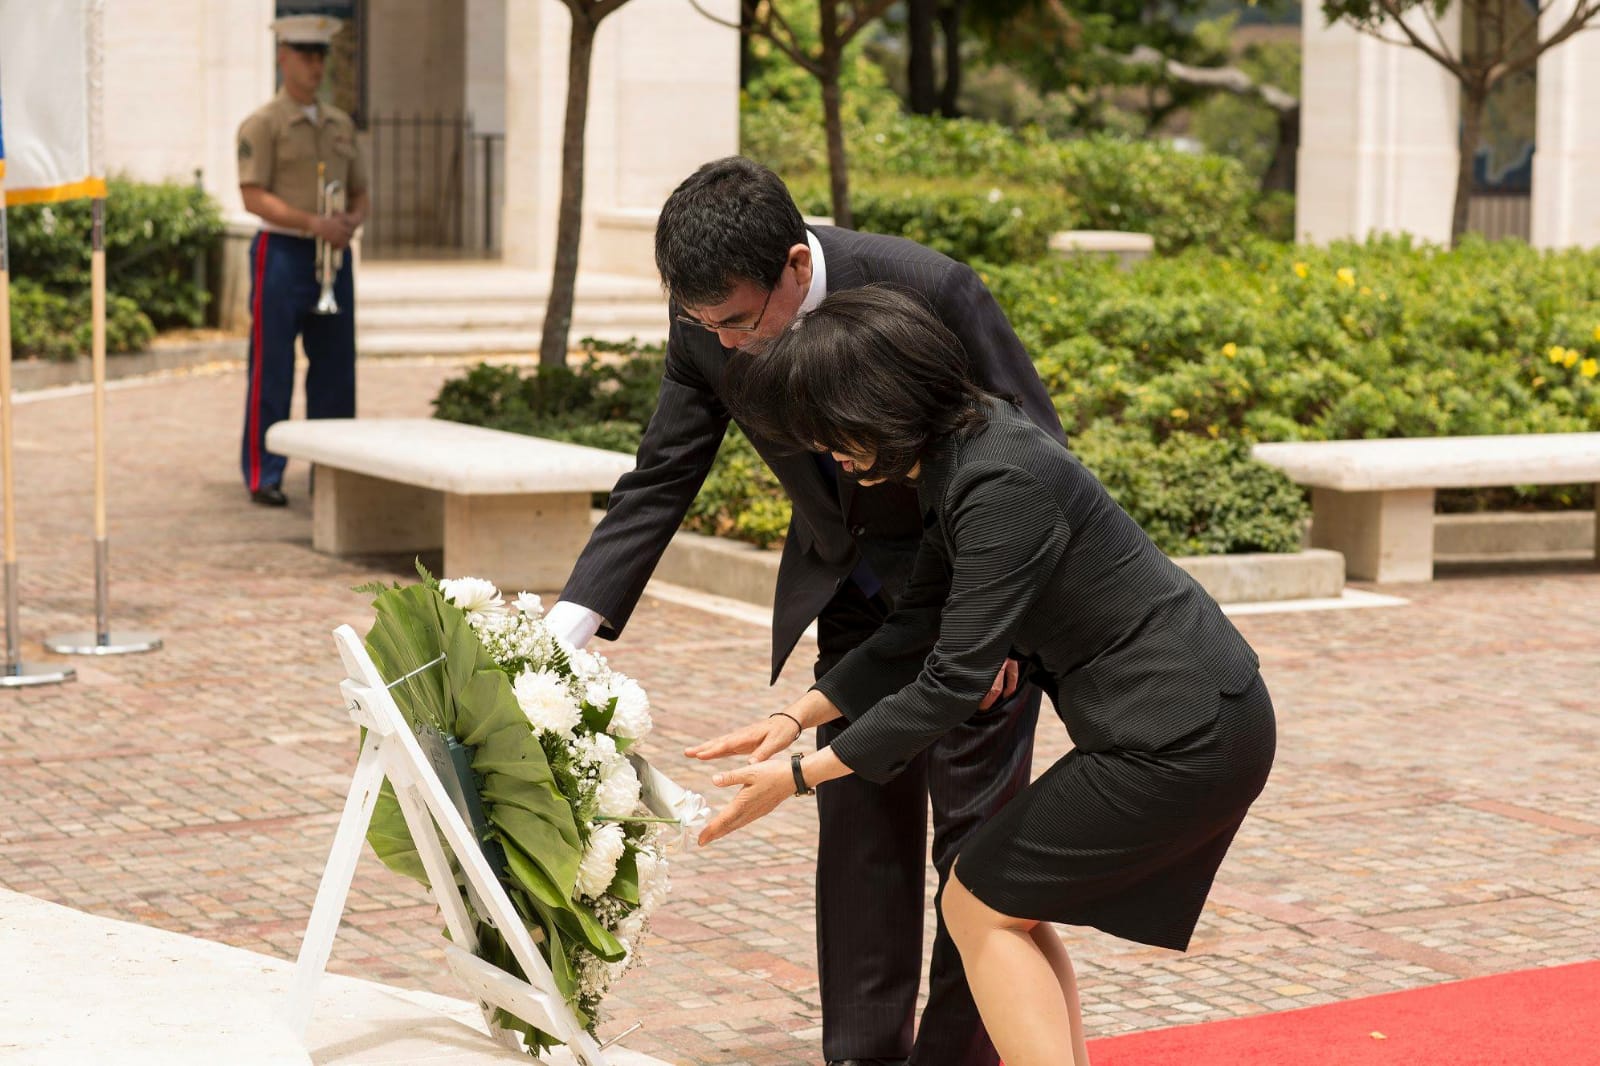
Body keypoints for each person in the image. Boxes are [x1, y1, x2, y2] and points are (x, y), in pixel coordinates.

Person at [542, 157, 1065, 1066]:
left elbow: (1036, 456)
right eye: (703, 325)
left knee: (974, 864)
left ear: (794, 264)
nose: (726, 344)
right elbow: (663, 476)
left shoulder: (929, 289)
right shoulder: (708, 325)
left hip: (972, 610)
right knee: (860, 836)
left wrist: (1004, 624)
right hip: (855, 597)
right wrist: (558, 639)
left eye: (739, 321)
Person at [689, 286, 1278, 1066]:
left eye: (832, 431)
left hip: (1184, 732)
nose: (829, 453)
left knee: (980, 904)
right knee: (999, 905)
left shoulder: (1000, 482)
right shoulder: (966, 454)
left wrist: (804, 777)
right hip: (1174, 720)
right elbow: (914, 627)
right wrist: (795, 718)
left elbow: (952, 682)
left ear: (881, 406)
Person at [235, 14, 368, 506]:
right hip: (283, 252)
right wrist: (314, 223)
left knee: (336, 371)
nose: (314, 66)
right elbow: (252, 196)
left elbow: (360, 191)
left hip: (332, 255)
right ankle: (263, 472)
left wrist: (350, 220)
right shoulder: (263, 124)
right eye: (305, 55)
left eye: (320, 56)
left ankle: (333, 473)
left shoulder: (339, 124)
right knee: (272, 366)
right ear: (283, 57)